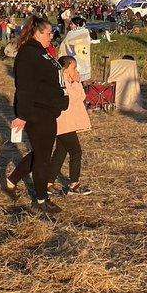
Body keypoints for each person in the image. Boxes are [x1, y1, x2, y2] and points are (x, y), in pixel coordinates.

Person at [2, 16, 69, 216]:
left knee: (41, 152)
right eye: (48, 33)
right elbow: (25, 88)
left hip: (47, 110)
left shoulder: (41, 52)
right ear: (38, 33)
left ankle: (12, 179)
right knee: (43, 158)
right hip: (37, 112)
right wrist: (22, 116)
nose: (52, 36)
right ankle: (41, 200)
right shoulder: (29, 54)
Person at [49, 56, 92, 196]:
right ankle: (74, 184)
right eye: (73, 67)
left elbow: (81, 97)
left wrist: (76, 81)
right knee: (76, 151)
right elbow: (76, 98)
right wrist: (77, 82)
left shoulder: (68, 80)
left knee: (60, 152)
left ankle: (48, 182)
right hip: (64, 122)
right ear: (65, 68)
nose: (76, 70)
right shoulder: (63, 82)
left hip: (66, 123)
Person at [56, 16, 92, 82]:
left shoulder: (84, 34)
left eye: (72, 24)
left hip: (78, 58)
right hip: (72, 57)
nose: (70, 26)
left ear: (77, 25)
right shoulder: (77, 33)